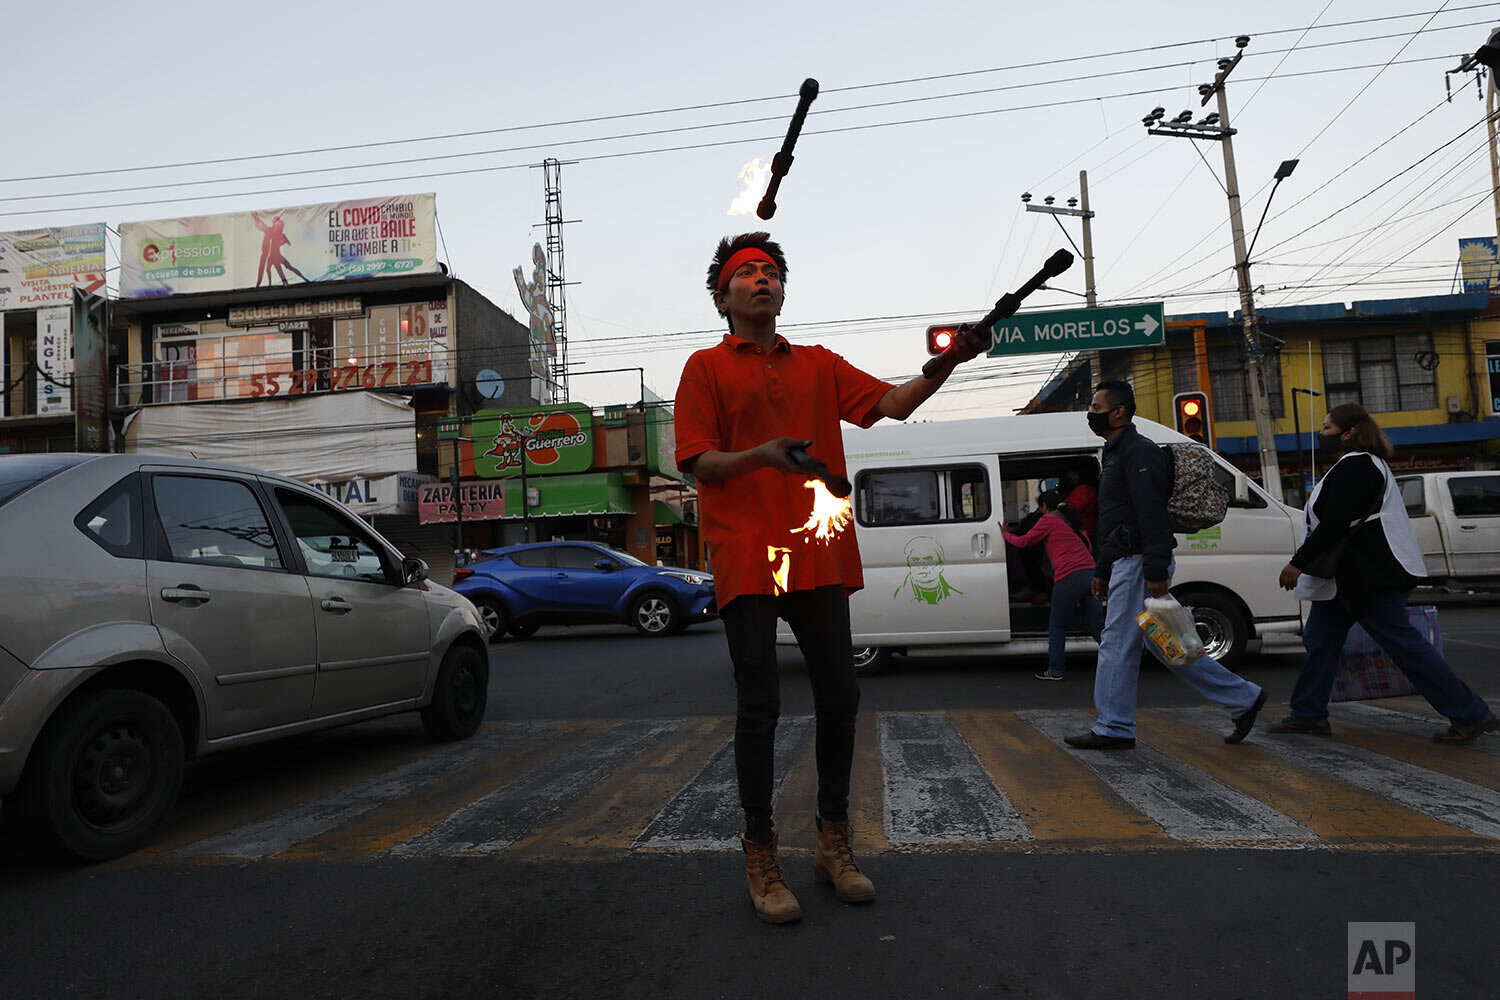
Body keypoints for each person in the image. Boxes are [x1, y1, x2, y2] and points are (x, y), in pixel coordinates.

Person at [673, 232, 985, 924]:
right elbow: (698, 463)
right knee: (759, 705)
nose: (761, 278)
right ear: (722, 297)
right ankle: (760, 852)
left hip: (816, 548)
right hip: (749, 552)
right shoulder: (704, 369)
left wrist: (950, 360)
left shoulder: (817, 364)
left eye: (771, 271)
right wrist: (762, 456)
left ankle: (832, 840)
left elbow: (894, 404)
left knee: (840, 695)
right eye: (746, 272)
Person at [1272, 404, 1496, 742]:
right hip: (1346, 578)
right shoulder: (1352, 466)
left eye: (1327, 428)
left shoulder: (1359, 467)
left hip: (1367, 578)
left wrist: (1298, 562)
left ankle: (1471, 714)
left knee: (1405, 646)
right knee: (1320, 641)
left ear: (1348, 433)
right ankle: (1308, 714)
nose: (1322, 435)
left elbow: (1336, 522)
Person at [1064, 381, 1267, 750]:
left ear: (1119, 411)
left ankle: (1113, 727)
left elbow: (1150, 515)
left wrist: (1155, 569)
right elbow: (1115, 519)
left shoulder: (1139, 453)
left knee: (1116, 643)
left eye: (1095, 406)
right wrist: (1102, 568)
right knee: (1169, 646)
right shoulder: (1115, 453)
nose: (1090, 413)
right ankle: (1243, 698)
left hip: (1140, 561)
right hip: (1126, 559)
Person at [1000, 489, 1103, 680]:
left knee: (1057, 625)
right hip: (1091, 575)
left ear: (1044, 506)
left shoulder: (1049, 520)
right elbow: (1087, 547)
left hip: (1069, 577)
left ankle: (1055, 670)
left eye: (1040, 508)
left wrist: (1006, 535)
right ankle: (1116, 663)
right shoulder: (1073, 519)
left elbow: (1025, 541)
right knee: (1097, 625)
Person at [1059, 460, 1099, 540]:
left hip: (1085, 534)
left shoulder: (1083, 490)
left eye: (1073, 474)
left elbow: (1072, 510)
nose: (1070, 477)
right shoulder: (1079, 490)